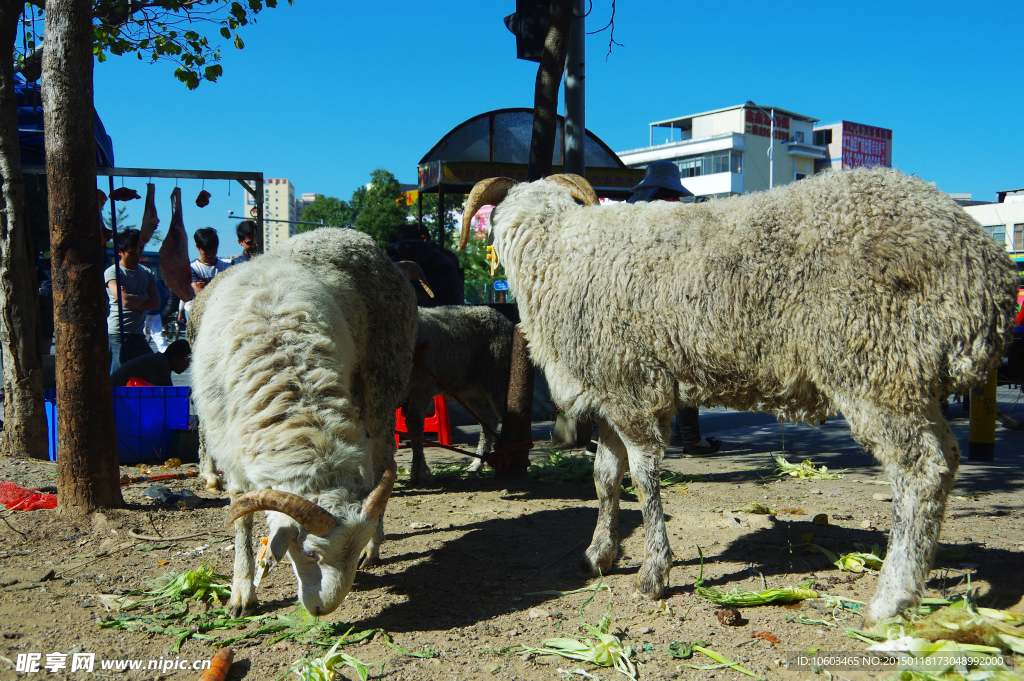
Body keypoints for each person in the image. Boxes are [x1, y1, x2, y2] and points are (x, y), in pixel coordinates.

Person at [627, 160, 723, 456]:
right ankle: (692, 440)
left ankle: (599, 440)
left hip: (632, 301)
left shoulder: (631, 214)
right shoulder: (672, 210)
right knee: (684, 369)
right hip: (670, 303)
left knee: (629, 374)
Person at [105, 228, 160, 372]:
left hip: (138, 334)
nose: (137, 256)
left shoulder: (147, 272)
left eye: (139, 251)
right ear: (120, 252)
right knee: (118, 375)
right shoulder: (113, 272)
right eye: (132, 252)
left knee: (152, 369)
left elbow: (156, 303)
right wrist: (145, 296)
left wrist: (134, 299)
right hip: (118, 334)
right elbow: (125, 301)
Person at [386, 223, 464, 307]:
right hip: (451, 316)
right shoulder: (447, 261)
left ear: (394, 245)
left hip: (415, 318)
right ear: (421, 239)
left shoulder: (392, 267)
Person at [109, 339, 191, 388]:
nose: (188, 366)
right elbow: (166, 393)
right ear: (176, 359)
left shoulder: (160, 360)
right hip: (116, 395)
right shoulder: (160, 363)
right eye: (187, 362)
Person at [190, 227, 231, 297]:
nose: (210, 255)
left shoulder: (228, 264)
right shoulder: (193, 267)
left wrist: (205, 288)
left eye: (213, 250)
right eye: (206, 252)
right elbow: (197, 291)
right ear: (197, 247)